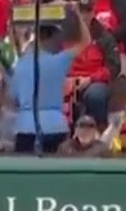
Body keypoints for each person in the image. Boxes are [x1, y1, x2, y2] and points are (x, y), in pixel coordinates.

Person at [10, 4, 91, 153]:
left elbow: (12, 98)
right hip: (54, 125)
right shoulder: (59, 61)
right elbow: (85, 41)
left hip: (25, 126)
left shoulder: (20, 65)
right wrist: (77, 14)